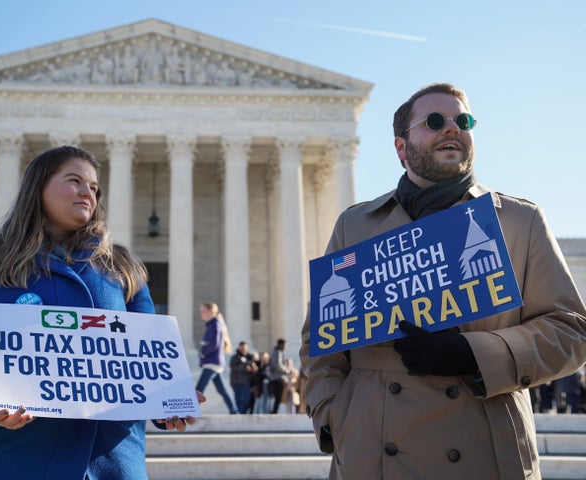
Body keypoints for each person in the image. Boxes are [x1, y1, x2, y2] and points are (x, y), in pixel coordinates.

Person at [299, 83, 586, 479]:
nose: (452, 128)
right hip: (373, 452)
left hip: (484, 450)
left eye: (463, 121)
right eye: (435, 122)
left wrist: (476, 354)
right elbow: (320, 341)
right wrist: (332, 413)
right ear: (401, 148)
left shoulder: (519, 221)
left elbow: (570, 332)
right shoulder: (355, 226)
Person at [0, 146, 201, 480]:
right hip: (12, 463)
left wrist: (168, 398)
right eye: (74, 180)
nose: (87, 193)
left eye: (94, 188)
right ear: (38, 188)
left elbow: (147, 364)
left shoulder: (123, 268)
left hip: (110, 467)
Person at [196, 302, 238, 414]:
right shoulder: (214, 324)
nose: (202, 314)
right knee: (222, 390)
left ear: (211, 311)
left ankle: (190, 412)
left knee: (199, 390)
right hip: (215, 362)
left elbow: (214, 343)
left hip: (211, 362)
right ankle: (234, 411)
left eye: (204, 311)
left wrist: (203, 353)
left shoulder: (215, 324)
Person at [229, 341, 258, 414]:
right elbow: (233, 367)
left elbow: (253, 368)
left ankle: (242, 415)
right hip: (237, 383)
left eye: (245, 348)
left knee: (246, 401)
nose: (243, 350)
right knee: (239, 400)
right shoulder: (235, 358)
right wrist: (246, 368)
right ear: (239, 348)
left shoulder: (249, 358)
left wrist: (253, 368)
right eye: (242, 348)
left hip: (247, 383)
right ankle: (238, 415)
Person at [268, 338, 290, 414]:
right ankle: (274, 412)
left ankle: (274, 411)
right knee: (278, 396)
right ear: (281, 345)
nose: (285, 347)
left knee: (278, 397)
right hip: (277, 378)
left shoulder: (276, 352)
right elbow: (278, 365)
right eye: (285, 345)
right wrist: (286, 370)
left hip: (276, 378)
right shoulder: (277, 352)